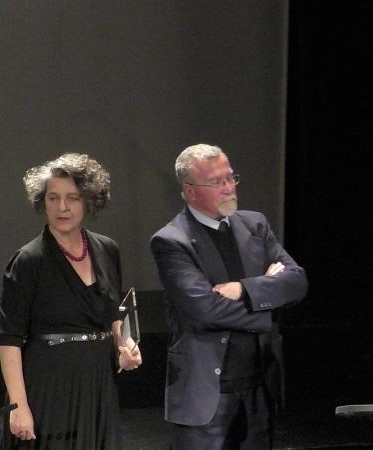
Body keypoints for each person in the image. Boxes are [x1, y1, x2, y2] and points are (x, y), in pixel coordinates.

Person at [150, 144, 308, 450]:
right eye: (216, 182)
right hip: (206, 394)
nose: (228, 188)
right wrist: (269, 299)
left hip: (259, 387)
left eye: (230, 178)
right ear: (190, 191)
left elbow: (297, 282)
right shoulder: (171, 240)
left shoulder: (255, 224)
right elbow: (207, 311)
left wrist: (243, 289)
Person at [0, 153, 142, 450]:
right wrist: (18, 407)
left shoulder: (107, 250)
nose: (62, 207)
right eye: (53, 198)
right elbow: (9, 339)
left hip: (98, 385)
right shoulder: (28, 260)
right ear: (43, 201)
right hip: (49, 387)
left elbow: (112, 316)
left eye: (72, 198)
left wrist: (124, 347)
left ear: (88, 201)